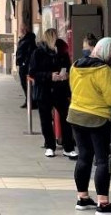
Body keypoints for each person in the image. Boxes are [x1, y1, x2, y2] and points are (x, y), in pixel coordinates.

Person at [68, 37, 111, 214]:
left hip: (76, 116)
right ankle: (103, 203)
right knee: (102, 160)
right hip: (97, 119)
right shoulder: (104, 70)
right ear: (110, 53)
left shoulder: (75, 65)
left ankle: (82, 198)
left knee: (84, 157)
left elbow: (73, 89)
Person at [29, 28, 77, 159]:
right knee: (46, 120)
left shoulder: (62, 51)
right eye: (54, 37)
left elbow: (68, 66)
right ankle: (50, 146)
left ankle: (69, 147)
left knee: (66, 118)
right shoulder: (38, 53)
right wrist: (50, 76)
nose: (56, 39)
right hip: (44, 91)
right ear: (48, 38)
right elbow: (33, 72)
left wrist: (65, 75)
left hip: (60, 89)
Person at [15, 25, 38, 108]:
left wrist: (24, 63)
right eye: (21, 28)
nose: (21, 30)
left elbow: (29, 53)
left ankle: (32, 102)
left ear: (26, 29)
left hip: (26, 65)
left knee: (27, 84)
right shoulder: (23, 38)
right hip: (22, 64)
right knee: (24, 84)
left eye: (22, 28)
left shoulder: (29, 39)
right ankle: (28, 100)